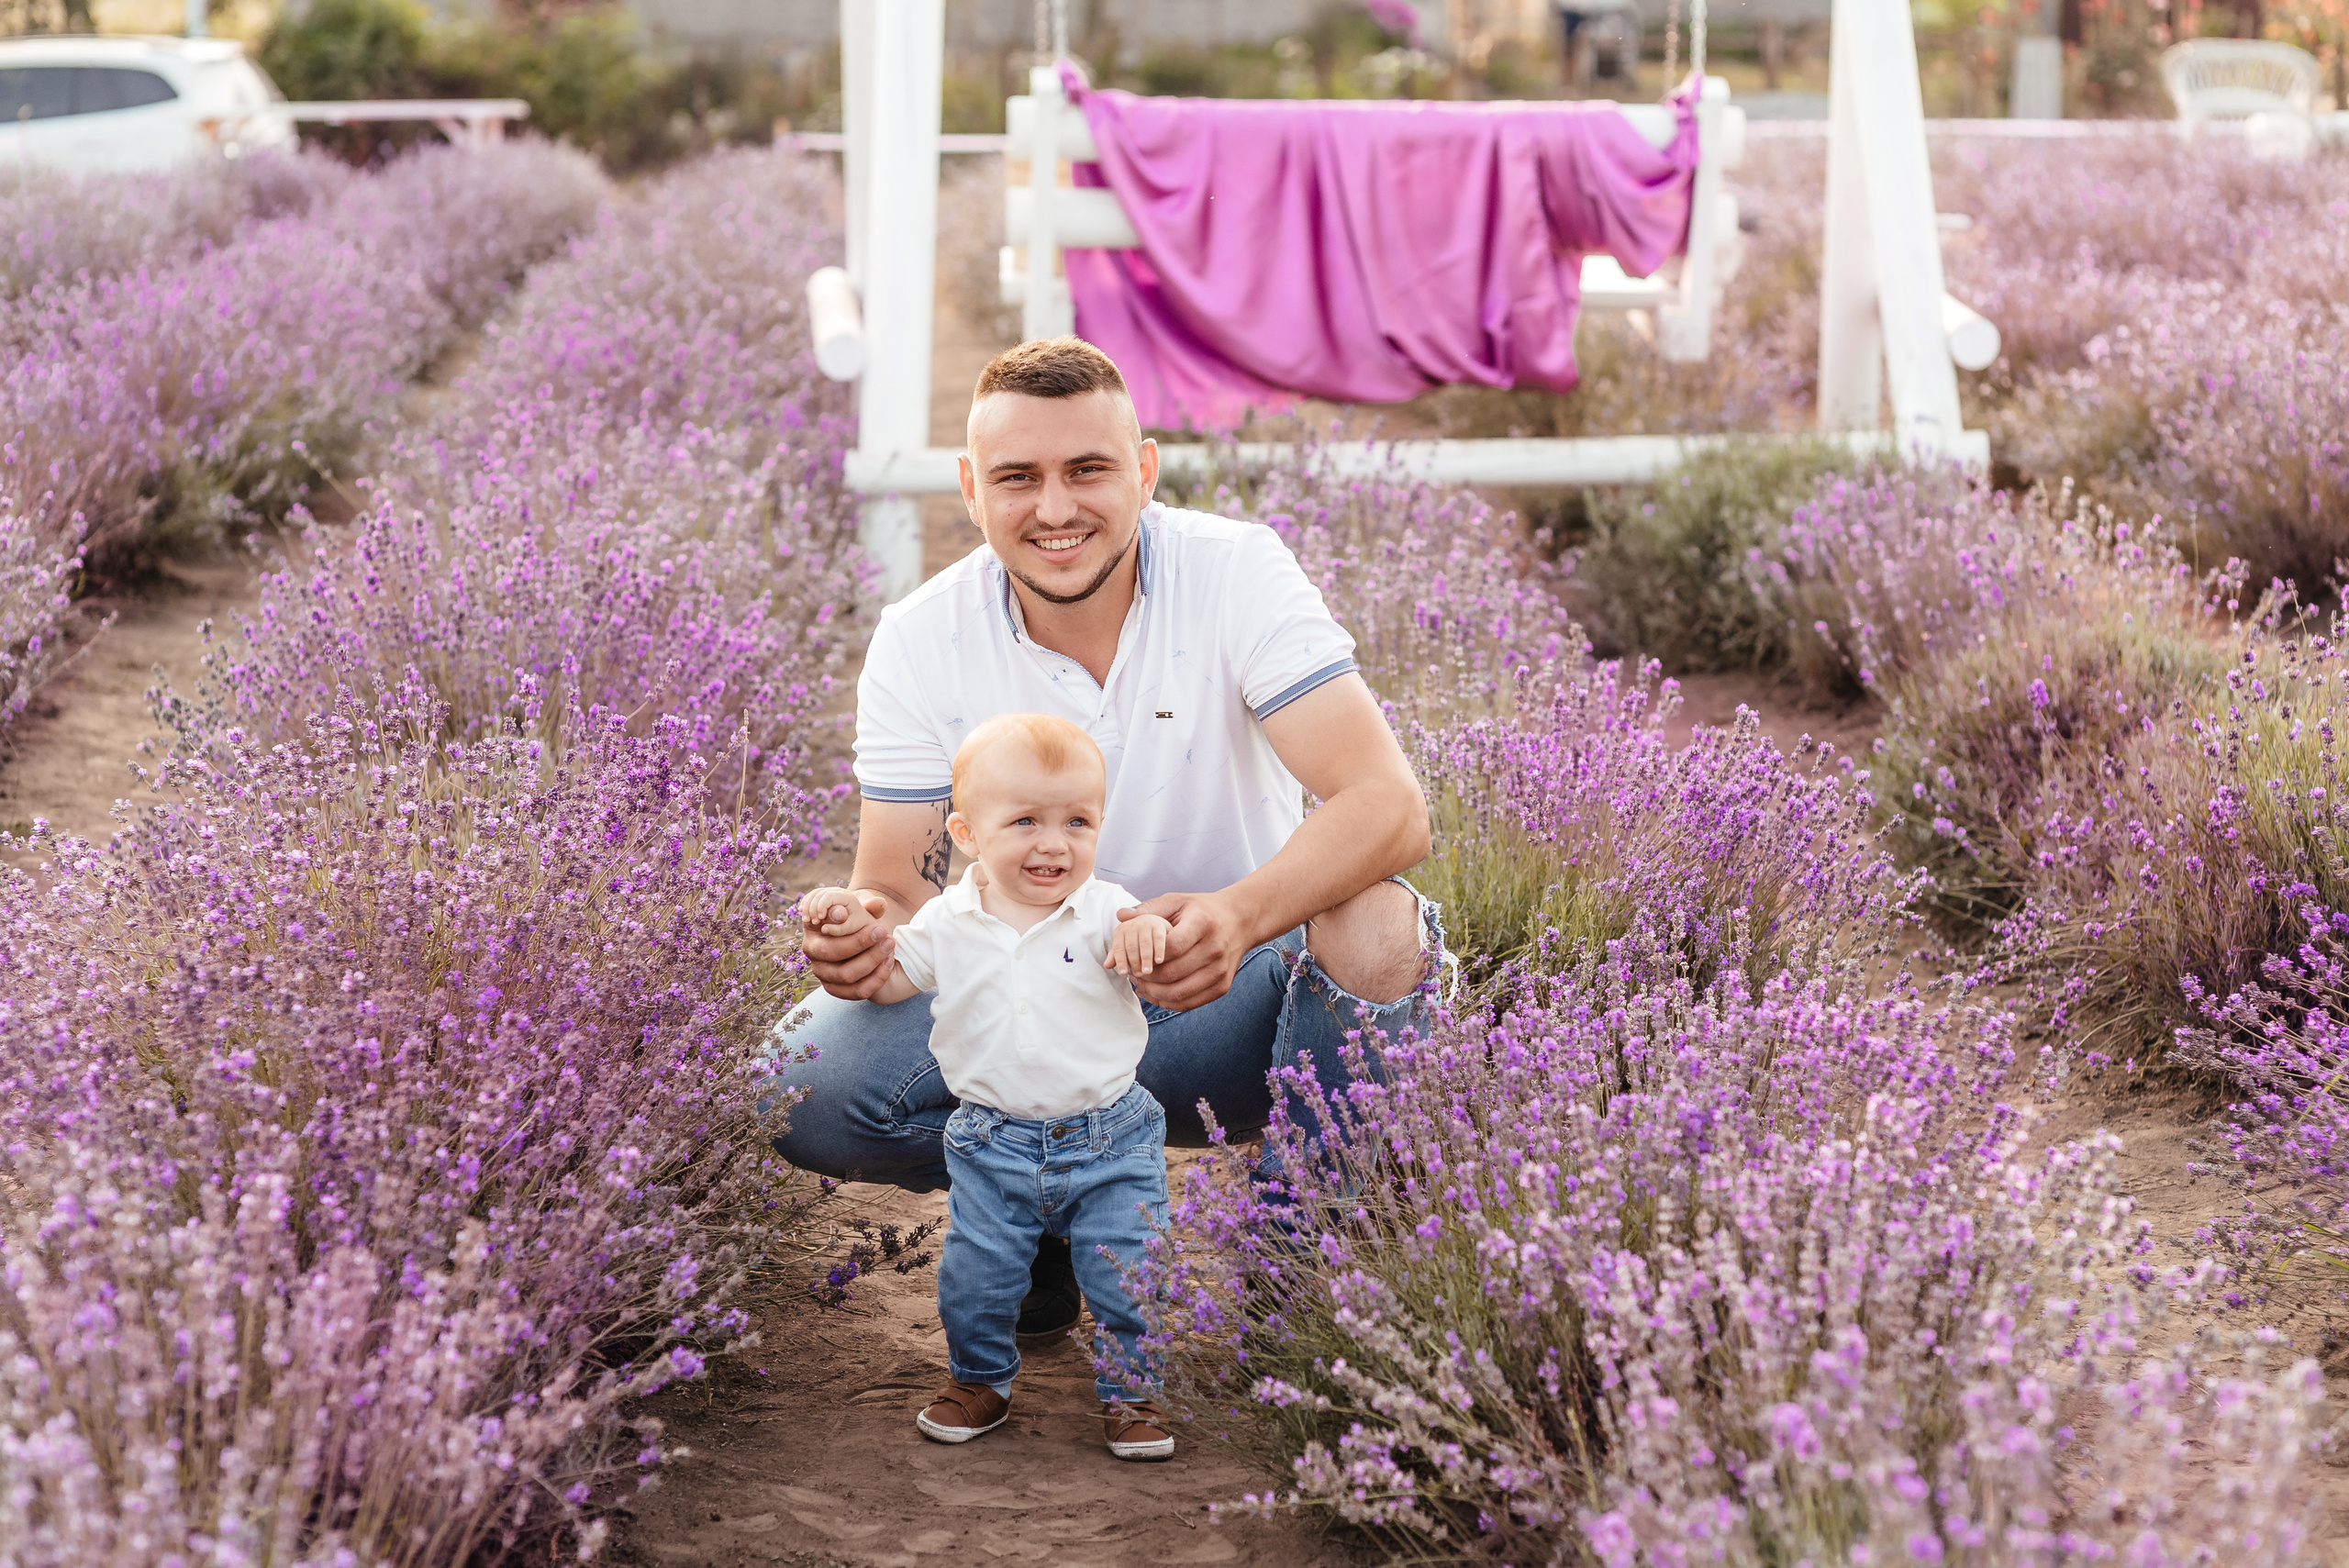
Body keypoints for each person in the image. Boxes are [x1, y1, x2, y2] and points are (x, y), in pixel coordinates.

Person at [768, 335, 1440, 1343]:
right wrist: (860, 937)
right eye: (1017, 477)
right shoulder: (919, 634)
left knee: (1381, 920)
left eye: (1087, 469)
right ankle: (1035, 1204)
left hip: (1223, 994)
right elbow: (898, 893)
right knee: (798, 1091)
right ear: (969, 486)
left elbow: (1390, 804)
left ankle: (1306, 1273)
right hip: (1021, 1007)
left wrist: (1236, 913)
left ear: (1145, 469)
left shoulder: (1235, 570)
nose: (1054, 508)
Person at [799, 712, 1179, 1459]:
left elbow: (1148, 937)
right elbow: (886, 978)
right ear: (968, 834)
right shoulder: (950, 919)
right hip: (991, 1136)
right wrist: (847, 918)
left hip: (1110, 1134)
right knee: (975, 1277)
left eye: (1078, 820)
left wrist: (1149, 936)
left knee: (1129, 1270)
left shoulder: (1104, 909)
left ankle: (1133, 1389)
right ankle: (981, 1378)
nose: (1053, 842)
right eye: (1026, 821)